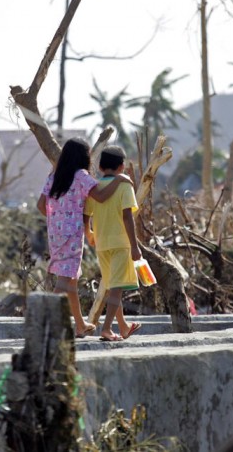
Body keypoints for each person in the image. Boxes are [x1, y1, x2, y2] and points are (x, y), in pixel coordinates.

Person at [37, 138, 131, 338]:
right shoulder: (81, 175)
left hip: (55, 233)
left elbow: (40, 205)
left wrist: (57, 217)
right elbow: (101, 196)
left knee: (70, 279)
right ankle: (45, 322)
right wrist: (119, 180)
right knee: (64, 280)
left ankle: (80, 325)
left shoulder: (54, 175)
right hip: (72, 234)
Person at [84, 145, 143, 342]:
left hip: (101, 244)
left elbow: (86, 215)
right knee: (116, 288)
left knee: (112, 286)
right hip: (120, 243)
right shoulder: (124, 185)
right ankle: (107, 328)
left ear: (100, 167)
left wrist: (89, 234)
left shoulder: (95, 187)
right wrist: (135, 247)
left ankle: (123, 326)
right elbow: (127, 217)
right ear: (122, 167)